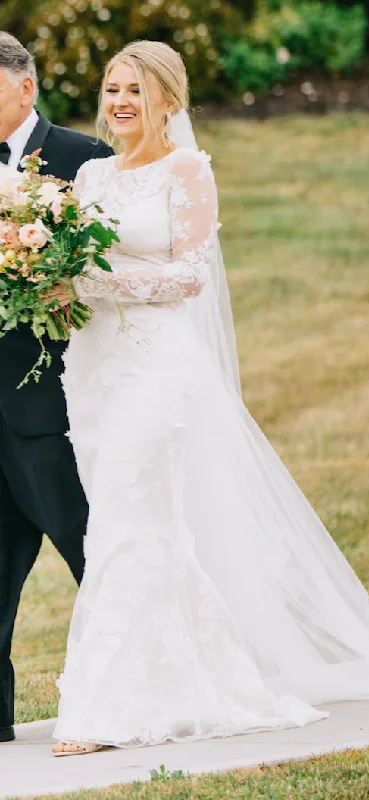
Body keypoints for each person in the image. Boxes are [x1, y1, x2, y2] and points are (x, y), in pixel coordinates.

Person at [52, 40, 369, 757]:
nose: (119, 101)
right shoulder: (90, 174)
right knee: (139, 526)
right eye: (113, 87)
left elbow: (188, 276)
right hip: (94, 371)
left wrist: (89, 286)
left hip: (156, 369)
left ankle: (102, 711)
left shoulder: (187, 170)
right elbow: (69, 259)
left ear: (168, 100)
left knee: (124, 523)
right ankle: (185, 682)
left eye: (136, 90)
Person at [0, 32, 113, 744]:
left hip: (54, 408)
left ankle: (143, 690)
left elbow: (108, 279)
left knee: (94, 553)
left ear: (24, 86)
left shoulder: (86, 160)